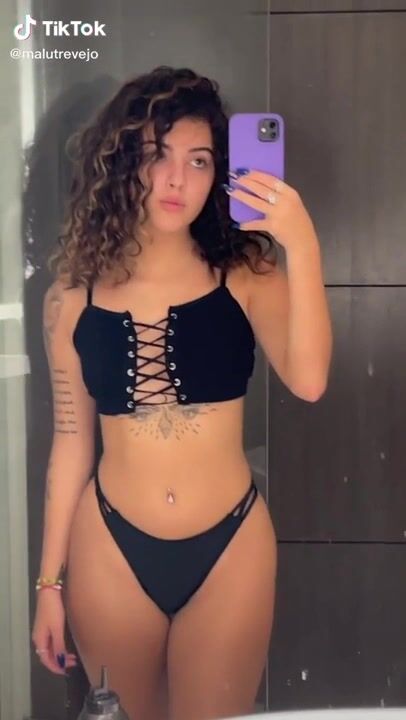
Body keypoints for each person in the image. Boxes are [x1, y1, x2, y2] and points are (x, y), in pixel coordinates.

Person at [32, 65, 332, 720]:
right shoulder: (72, 297)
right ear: (122, 162)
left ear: (218, 173)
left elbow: (310, 381)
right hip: (110, 547)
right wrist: (48, 583)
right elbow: (71, 444)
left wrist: (301, 240)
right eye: (157, 155)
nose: (176, 180)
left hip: (231, 547)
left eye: (198, 161)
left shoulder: (247, 273)